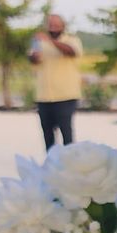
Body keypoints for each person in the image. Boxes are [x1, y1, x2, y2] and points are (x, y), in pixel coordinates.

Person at [28, 13, 84, 149]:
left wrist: (50, 41)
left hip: (66, 95)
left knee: (66, 133)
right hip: (44, 96)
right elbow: (32, 59)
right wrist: (34, 56)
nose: (53, 28)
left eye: (56, 25)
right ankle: (51, 160)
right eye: (50, 25)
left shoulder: (72, 40)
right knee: (47, 134)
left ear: (63, 26)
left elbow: (71, 52)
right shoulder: (39, 43)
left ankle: (69, 159)